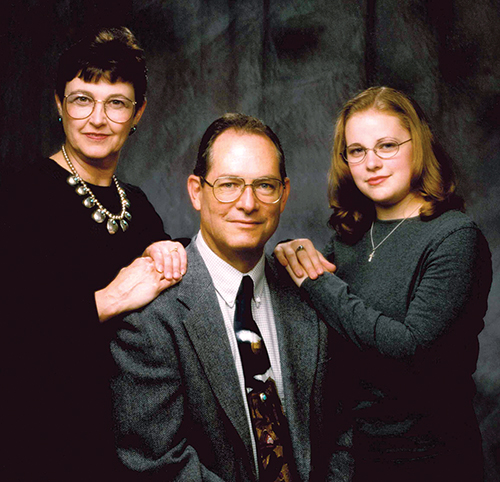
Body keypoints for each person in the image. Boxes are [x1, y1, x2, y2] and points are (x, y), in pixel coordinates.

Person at [274, 87, 492, 481]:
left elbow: (411, 352)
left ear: (418, 146)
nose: (371, 163)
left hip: (430, 462)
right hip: (350, 461)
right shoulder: (348, 239)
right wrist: (285, 257)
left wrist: (318, 281)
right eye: (356, 151)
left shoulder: (455, 237)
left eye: (387, 145)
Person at [1, 27, 187, 478]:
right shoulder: (21, 196)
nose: (97, 119)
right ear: (59, 106)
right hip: (42, 440)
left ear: (138, 111)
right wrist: (110, 299)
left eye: (116, 103)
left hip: (128, 442)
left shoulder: (137, 205)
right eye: (82, 99)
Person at [111, 113, 332, 481]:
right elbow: (158, 463)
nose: (248, 203)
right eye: (229, 184)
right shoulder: (151, 315)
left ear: (284, 194)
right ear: (197, 191)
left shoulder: (307, 293)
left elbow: (340, 429)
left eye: (264, 185)